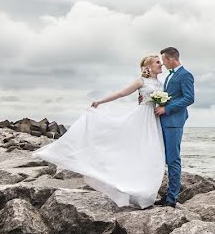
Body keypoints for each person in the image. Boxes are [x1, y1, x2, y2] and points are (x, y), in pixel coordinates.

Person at [33, 55, 166, 208]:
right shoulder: (141, 81)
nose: (160, 64)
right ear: (148, 66)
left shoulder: (160, 83)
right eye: (157, 62)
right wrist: (100, 101)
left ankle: (145, 194)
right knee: (136, 150)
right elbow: (121, 93)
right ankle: (130, 189)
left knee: (151, 153)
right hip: (141, 118)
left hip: (154, 120)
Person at [152, 47, 194, 208]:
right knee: (163, 158)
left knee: (173, 160)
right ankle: (166, 195)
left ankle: (172, 199)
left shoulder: (185, 75)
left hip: (174, 122)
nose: (162, 63)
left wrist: (166, 109)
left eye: (164, 60)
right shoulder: (170, 76)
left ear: (171, 59)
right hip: (164, 121)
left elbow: (189, 98)